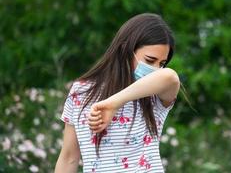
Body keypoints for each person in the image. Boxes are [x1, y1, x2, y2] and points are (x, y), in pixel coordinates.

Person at [54, 13, 180, 173]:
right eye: (149, 60)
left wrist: (113, 103)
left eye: (161, 63)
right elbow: (69, 158)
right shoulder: (82, 91)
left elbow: (170, 77)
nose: (155, 69)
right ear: (126, 50)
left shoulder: (153, 95)